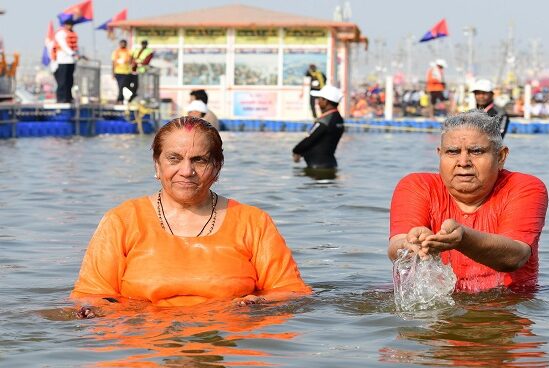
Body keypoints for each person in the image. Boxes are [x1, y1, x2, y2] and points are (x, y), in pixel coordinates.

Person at [71, 117, 311, 318]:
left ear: (217, 167)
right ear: (157, 165)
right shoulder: (122, 221)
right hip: (143, 345)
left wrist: (259, 304)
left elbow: (291, 293)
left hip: (232, 344)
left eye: (199, 160)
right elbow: (92, 297)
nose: (186, 171)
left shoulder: (253, 222)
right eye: (174, 159)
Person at [388, 110, 548, 292]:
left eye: (476, 151)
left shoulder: (524, 187)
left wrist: (463, 239)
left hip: (507, 306)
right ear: (440, 154)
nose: (463, 161)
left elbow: (515, 257)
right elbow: (396, 245)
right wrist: (410, 244)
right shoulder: (416, 185)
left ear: (501, 157)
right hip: (436, 305)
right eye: (453, 152)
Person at [292, 85, 344, 171]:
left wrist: (296, 151)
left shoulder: (326, 120)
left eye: (319, 99)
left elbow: (310, 139)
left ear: (325, 101)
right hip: (329, 164)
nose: (317, 101)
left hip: (318, 168)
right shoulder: (338, 118)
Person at [53, 18, 79, 103]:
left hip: (71, 61)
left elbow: (75, 47)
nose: (70, 26)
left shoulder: (72, 33)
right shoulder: (61, 33)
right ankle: (61, 98)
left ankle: (68, 98)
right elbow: (63, 46)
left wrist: (77, 55)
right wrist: (72, 53)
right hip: (62, 61)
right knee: (62, 81)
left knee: (70, 81)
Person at [112, 39, 133, 103]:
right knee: (120, 85)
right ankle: (120, 99)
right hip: (118, 71)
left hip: (126, 72)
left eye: (124, 43)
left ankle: (120, 99)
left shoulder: (129, 52)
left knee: (123, 85)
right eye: (122, 43)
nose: (123, 45)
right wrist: (113, 72)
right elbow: (113, 62)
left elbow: (131, 61)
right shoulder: (116, 52)